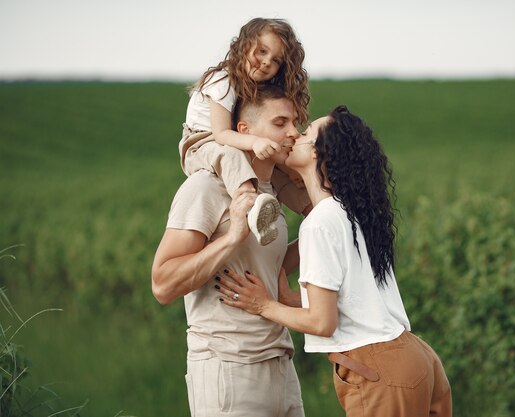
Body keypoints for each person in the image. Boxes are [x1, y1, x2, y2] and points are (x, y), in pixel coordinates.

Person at [216, 106, 453, 417]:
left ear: (318, 154)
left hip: (379, 370)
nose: (293, 136)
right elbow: (341, 300)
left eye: (304, 133)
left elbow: (322, 323)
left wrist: (264, 306)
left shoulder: (320, 224)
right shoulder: (351, 213)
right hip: (414, 358)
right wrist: (285, 296)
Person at [152, 85, 305, 417]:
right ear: (244, 132)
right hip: (228, 366)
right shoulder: (205, 187)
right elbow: (162, 284)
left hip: (280, 363)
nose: (294, 133)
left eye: (296, 122)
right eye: (280, 123)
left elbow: (268, 266)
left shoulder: (269, 191)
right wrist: (233, 236)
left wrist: (321, 231)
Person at [180, 17, 311, 246]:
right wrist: (254, 142)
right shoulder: (222, 80)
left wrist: (290, 170)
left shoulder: (252, 87)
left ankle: (314, 209)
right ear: (244, 45)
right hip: (201, 143)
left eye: (276, 60)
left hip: (229, 141)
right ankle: (250, 208)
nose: (266, 62)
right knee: (232, 155)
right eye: (262, 51)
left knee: (275, 170)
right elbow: (221, 135)